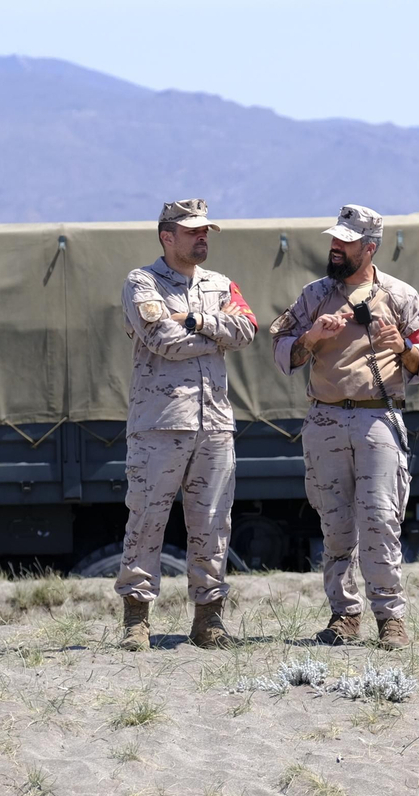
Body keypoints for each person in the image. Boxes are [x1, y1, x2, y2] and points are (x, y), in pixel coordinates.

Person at [270, 204, 419, 650]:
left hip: (377, 417)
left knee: (381, 520)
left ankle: (390, 620)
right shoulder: (313, 296)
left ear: (369, 247)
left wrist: (400, 346)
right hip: (325, 418)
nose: (335, 247)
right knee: (335, 523)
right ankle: (344, 616)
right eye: (334, 240)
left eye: (345, 241)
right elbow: (279, 346)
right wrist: (310, 339)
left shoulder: (400, 295)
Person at [115, 199, 258, 650]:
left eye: (206, 232)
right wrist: (218, 334)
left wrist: (196, 318)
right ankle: (137, 620)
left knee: (214, 524)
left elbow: (249, 329)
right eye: (194, 231)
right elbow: (162, 341)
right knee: (146, 521)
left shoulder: (220, 283)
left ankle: (208, 621)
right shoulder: (143, 282)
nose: (203, 238)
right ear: (167, 237)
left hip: (214, 422)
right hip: (160, 423)